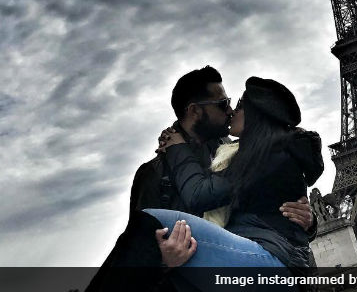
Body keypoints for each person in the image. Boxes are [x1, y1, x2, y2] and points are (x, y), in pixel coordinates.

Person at [88, 68, 317, 291]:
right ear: (195, 111)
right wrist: (162, 263)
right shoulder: (155, 172)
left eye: (231, 103)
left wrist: (308, 221)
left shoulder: (242, 155)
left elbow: (266, 202)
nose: (229, 110)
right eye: (222, 104)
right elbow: (140, 248)